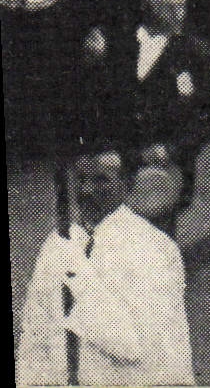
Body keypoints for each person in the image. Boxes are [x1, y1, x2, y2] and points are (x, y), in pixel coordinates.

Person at [18, 147, 195, 385]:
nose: (87, 190)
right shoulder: (58, 243)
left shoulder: (153, 248)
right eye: (81, 179)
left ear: (127, 184)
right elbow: (35, 335)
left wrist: (78, 276)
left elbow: (130, 345)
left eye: (101, 180)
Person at [127, 0, 210, 236]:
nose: (178, 14)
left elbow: (209, 115)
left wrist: (173, 149)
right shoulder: (124, 46)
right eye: (168, 7)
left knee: (160, 238)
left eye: (181, 6)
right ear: (149, 8)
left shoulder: (194, 54)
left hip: (167, 170)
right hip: (125, 166)